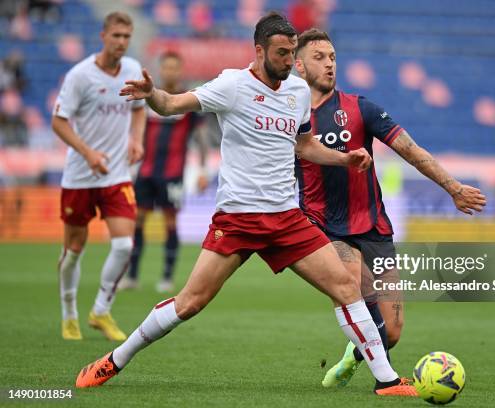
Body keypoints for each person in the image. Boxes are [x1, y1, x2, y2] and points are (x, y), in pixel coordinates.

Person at [75, 12, 418, 397]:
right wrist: (152, 94)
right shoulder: (231, 85)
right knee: (190, 303)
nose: (290, 61)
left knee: (345, 286)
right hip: (238, 219)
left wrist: (344, 158)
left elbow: (303, 145)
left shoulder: (298, 92)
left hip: (288, 218)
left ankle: (386, 381)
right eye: (282, 53)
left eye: (292, 53)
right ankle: (114, 360)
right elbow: (171, 105)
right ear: (259, 50)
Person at [293, 28, 487, 387]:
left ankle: (355, 356)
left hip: (373, 227)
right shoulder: (290, 119)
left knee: (392, 332)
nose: (330, 64)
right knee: (349, 284)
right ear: (299, 66)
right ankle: (388, 381)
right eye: (319, 58)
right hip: (324, 228)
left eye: (333, 57)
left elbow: (411, 151)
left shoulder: (360, 108)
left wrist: (454, 188)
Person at [51, 11, 146, 341]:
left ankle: (101, 310)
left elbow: (138, 110)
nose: (121, 42)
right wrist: (88, 153)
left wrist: (136, 139)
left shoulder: (133, 70)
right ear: (103, 36)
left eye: (126, 37)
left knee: (124, 244)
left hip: (116, 175)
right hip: (80, 176)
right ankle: (69, 314)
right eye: (116, 35)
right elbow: (59, 122)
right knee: (74, 249)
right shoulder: (80, 76)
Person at [120, 51, 209, 293]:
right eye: (167, 67)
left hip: (173, 174)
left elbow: (201, 138)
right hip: (146, 171)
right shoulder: (150, 97)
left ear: (180, 71)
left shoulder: (188, 99)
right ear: (161, 69)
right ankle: (132, 276)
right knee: (138, 220)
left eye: (174, 68)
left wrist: (202, 169)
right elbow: (135, 131)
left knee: (170, 221)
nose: (170, 72)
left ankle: (167, 277)